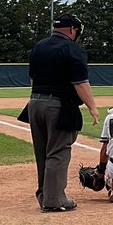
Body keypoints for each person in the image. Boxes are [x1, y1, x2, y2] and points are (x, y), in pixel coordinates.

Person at [27, 14, 99, 213]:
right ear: (72, 30)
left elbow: (32, 78)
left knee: (42, 153)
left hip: (35, 102)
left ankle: (44, 196)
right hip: (58, 106)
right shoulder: (72, 49)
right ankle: (55, 199)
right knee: (58, 152)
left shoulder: (39, 46)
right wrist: (92, 107)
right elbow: (80, 83)